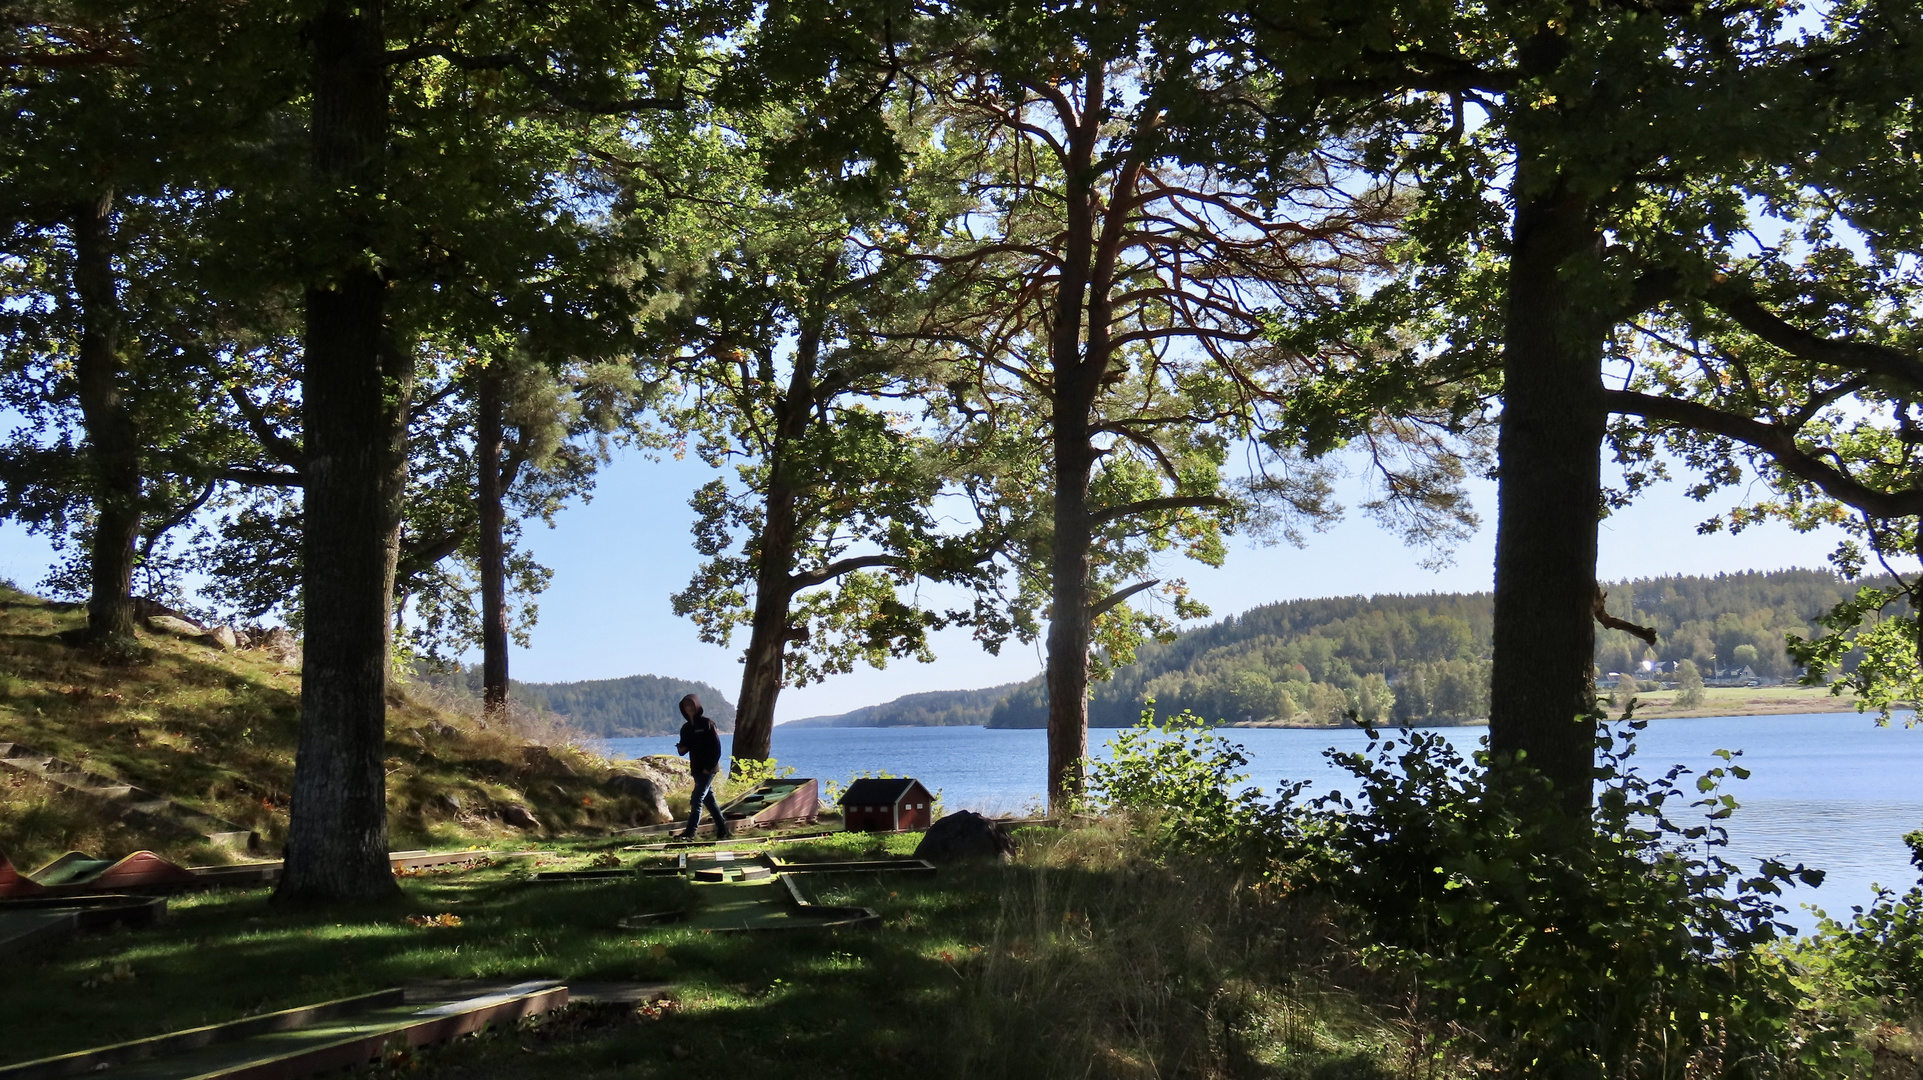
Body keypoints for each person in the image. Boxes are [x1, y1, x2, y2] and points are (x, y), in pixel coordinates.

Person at [673, 693, 731, 839]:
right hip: (696, 769)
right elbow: (684, 749)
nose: (689, 708)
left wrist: (709, 766)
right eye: (686, 706)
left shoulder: (707, 724)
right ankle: (723, 830)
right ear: (683, 709)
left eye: (691, 705)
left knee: (696, 799)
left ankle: (690, 833)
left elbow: (716, 748)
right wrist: (681, 749)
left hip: (708, 769)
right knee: (709, 800)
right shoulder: (686, 728)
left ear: (697, 706)